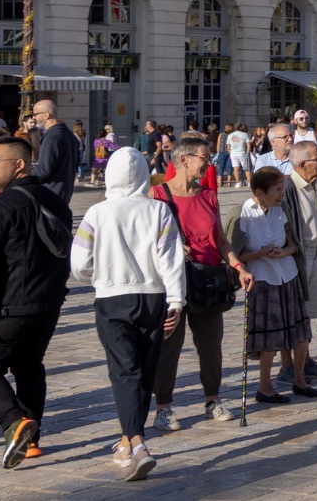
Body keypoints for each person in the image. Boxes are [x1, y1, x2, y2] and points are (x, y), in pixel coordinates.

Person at [0, 135, 72, 469]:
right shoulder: (56, 201)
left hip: (9, 305)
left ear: (18, 164)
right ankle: (31, 442)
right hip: (47, 303)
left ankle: (13, 422)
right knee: (29, 366)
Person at [69, 147, 186, 480]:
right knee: (145, 371)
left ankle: (136, 443)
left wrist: (99, 275)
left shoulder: (97, 213)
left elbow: (78, 264)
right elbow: (171, 259)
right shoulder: (159, 210)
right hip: (153, 298)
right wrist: (176, 301)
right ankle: (127, 441)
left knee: (124, 370)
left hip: (112, 297)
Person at [150, 136, 242, 430]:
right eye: (205, 157)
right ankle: (163, 407)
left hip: (207, 281)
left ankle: (212, 400)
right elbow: (145, 241)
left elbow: (221, 239)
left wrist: (238, 266)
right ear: (185, 159)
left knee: (211, 344)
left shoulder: (209, 196)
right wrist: (172, 247)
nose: (210, 162)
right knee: (169, 346)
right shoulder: (157, 195)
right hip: (171, 283)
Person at [226, 167, 317, 403]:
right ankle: (264, 387)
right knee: (269, 338)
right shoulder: (243, 213)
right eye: (277, 190)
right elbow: (234, 254)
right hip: (262, 281)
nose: (282, 194)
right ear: (260, 192)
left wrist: (281, 252)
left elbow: (293, 245)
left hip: (287, 275)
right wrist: (259, 253)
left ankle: (299, 379)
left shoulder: (281, 210)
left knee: (299, 333)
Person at [284, 142, 317, 381]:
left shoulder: (315, 184)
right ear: (304, 164)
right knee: (293, 313)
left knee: (307, 314)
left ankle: (304, 360)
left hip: (316, 253)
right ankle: (288, 368)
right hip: (298, 257)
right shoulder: (288, 187)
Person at [28, 99, 81, 207]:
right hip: (64, 194)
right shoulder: (69, 134)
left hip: (50, 195)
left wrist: (23, 175)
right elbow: (76, 164)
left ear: (46, 115)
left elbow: (43, 171)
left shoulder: (52, 136)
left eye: (35, 114)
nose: (33, 117)